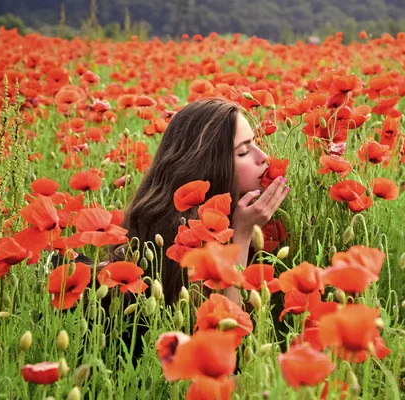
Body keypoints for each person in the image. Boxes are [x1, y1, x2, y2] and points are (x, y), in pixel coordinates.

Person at [113, 98, 290, 306]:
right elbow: (227, 326)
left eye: (255, 143)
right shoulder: (178, 236)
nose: (263, 156)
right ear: (211, 167)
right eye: (243, 152)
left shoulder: (251, 213)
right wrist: (242, 234)